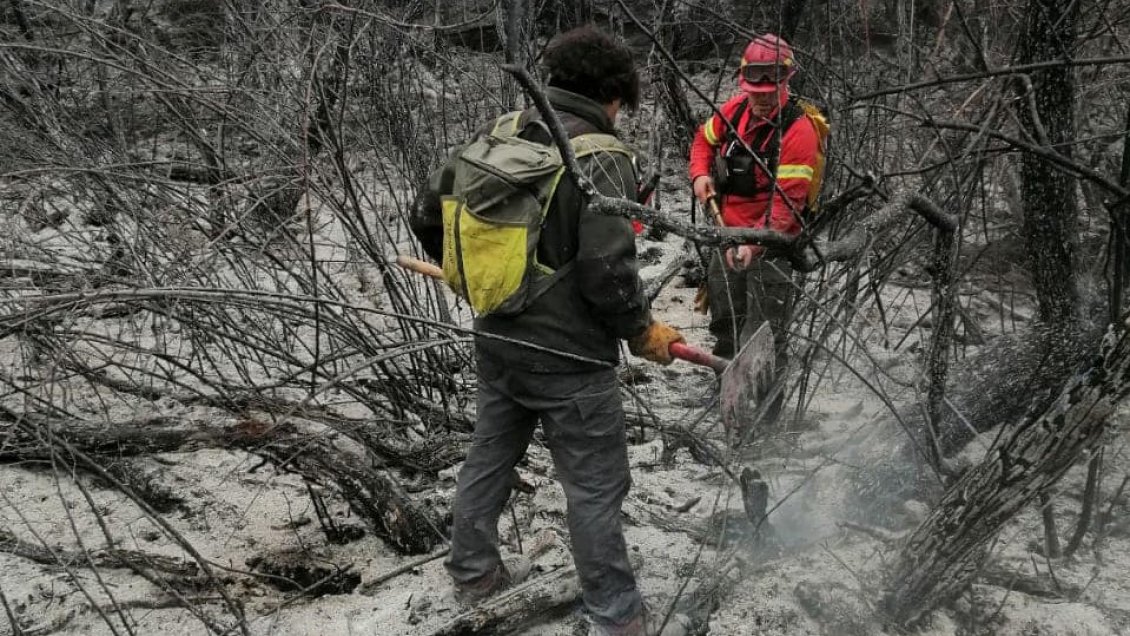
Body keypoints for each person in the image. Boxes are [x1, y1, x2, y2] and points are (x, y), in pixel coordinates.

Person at [411, 25, 687, 636]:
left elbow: (425, 212)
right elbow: (606, 269)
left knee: (489, 457)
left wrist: (475, 283)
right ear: (614, 94)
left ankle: (473, 573)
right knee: (595, 487)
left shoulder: (499, 133)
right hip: (570, 360)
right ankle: (617, 616)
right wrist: (642, 330)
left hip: (497, 340)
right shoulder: (603, 157)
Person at [687, 33, 820, 421]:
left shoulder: (799, 131)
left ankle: (764, 419)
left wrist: (755, 246)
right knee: (726, 325)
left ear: (786, 82)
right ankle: (728, 403)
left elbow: (787, 204)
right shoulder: (735, 111)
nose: (760, 99)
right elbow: (702, 141)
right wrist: (699, 176)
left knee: (763, 338)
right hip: (726, 234)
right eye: (754, 91)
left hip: (773, 246)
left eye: (767, 92)